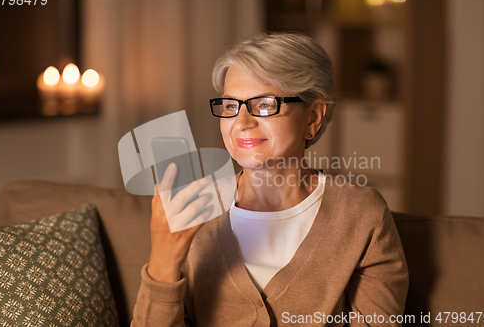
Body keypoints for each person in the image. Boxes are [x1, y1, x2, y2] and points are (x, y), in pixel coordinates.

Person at [131, 32, 409, 326]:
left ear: (313, 117)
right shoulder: (192, 207)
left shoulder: (362, 215)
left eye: (264, 104)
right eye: (230, 106)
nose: (242, 123)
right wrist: (163, 262)